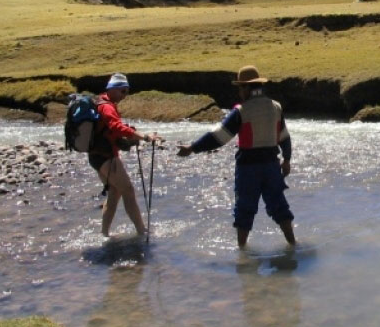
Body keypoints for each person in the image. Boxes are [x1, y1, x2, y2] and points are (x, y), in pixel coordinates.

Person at [178, 65, 295, 248]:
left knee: (244, 210)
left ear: (247, 88)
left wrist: (193, 148)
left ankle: (242, 252)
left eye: (241, 87)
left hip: (248, 168)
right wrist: (287, 159)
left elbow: (218, 137)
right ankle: (292, 243)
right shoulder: (276, 107)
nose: (240, 92)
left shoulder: (241, 112)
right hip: (272, 166)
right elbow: (284, 137)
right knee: (279, 206)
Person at [89, 73, 158, 237]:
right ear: (112, 89)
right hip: (106, 157)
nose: (125, 95)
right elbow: (116, 127)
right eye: (123, 91)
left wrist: (130, 136)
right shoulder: (107, 106)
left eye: (127, 91)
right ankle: (142, 231)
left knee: (115, 192)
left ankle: (104, 234)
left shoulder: (102, 102)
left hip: (96, 156)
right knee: (128, 190)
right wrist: (144, 136)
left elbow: (110, 129)